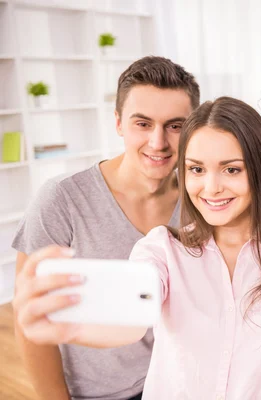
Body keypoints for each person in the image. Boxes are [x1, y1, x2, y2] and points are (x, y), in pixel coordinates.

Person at [13, 97, 261, 400]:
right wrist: (73, 327)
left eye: (231, 169)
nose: (211, 187)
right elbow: (132, 317)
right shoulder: (163, 250)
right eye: (196, 169)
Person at [11, 56, 199, 400]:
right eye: (143, 123)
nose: (158, 142)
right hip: (100, 394)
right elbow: (31, 325)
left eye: (175, 126)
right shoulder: (61, 200)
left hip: (176, 385)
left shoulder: (200, 199)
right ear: (118, 123)